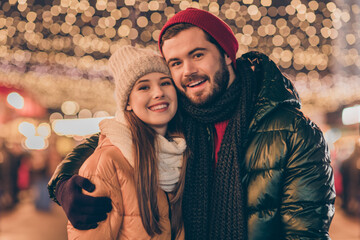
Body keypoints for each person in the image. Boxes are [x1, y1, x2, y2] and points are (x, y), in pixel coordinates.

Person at [48, 8, 336, 240]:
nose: (188, 71)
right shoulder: (176, 118)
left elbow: (305, 233)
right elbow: (110, 138)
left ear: (226, 54)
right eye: (175, 62)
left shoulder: (293, 132)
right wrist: (62, 182)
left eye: (197, 55)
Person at [66, 45, 187, 239]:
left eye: (165, 83)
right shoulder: (108, 161)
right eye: (144, 87)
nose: (158, 93)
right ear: (127, 102)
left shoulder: (183, 152)